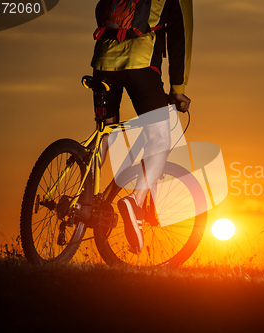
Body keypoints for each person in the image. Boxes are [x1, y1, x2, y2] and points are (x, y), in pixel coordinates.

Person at [90, 0, 193, 253]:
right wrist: (177, 90)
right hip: (142, 66)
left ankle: (85, 200)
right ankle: (135, 203)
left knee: (105, 133)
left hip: (103, 63)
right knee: (160, 138)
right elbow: (180, 39)